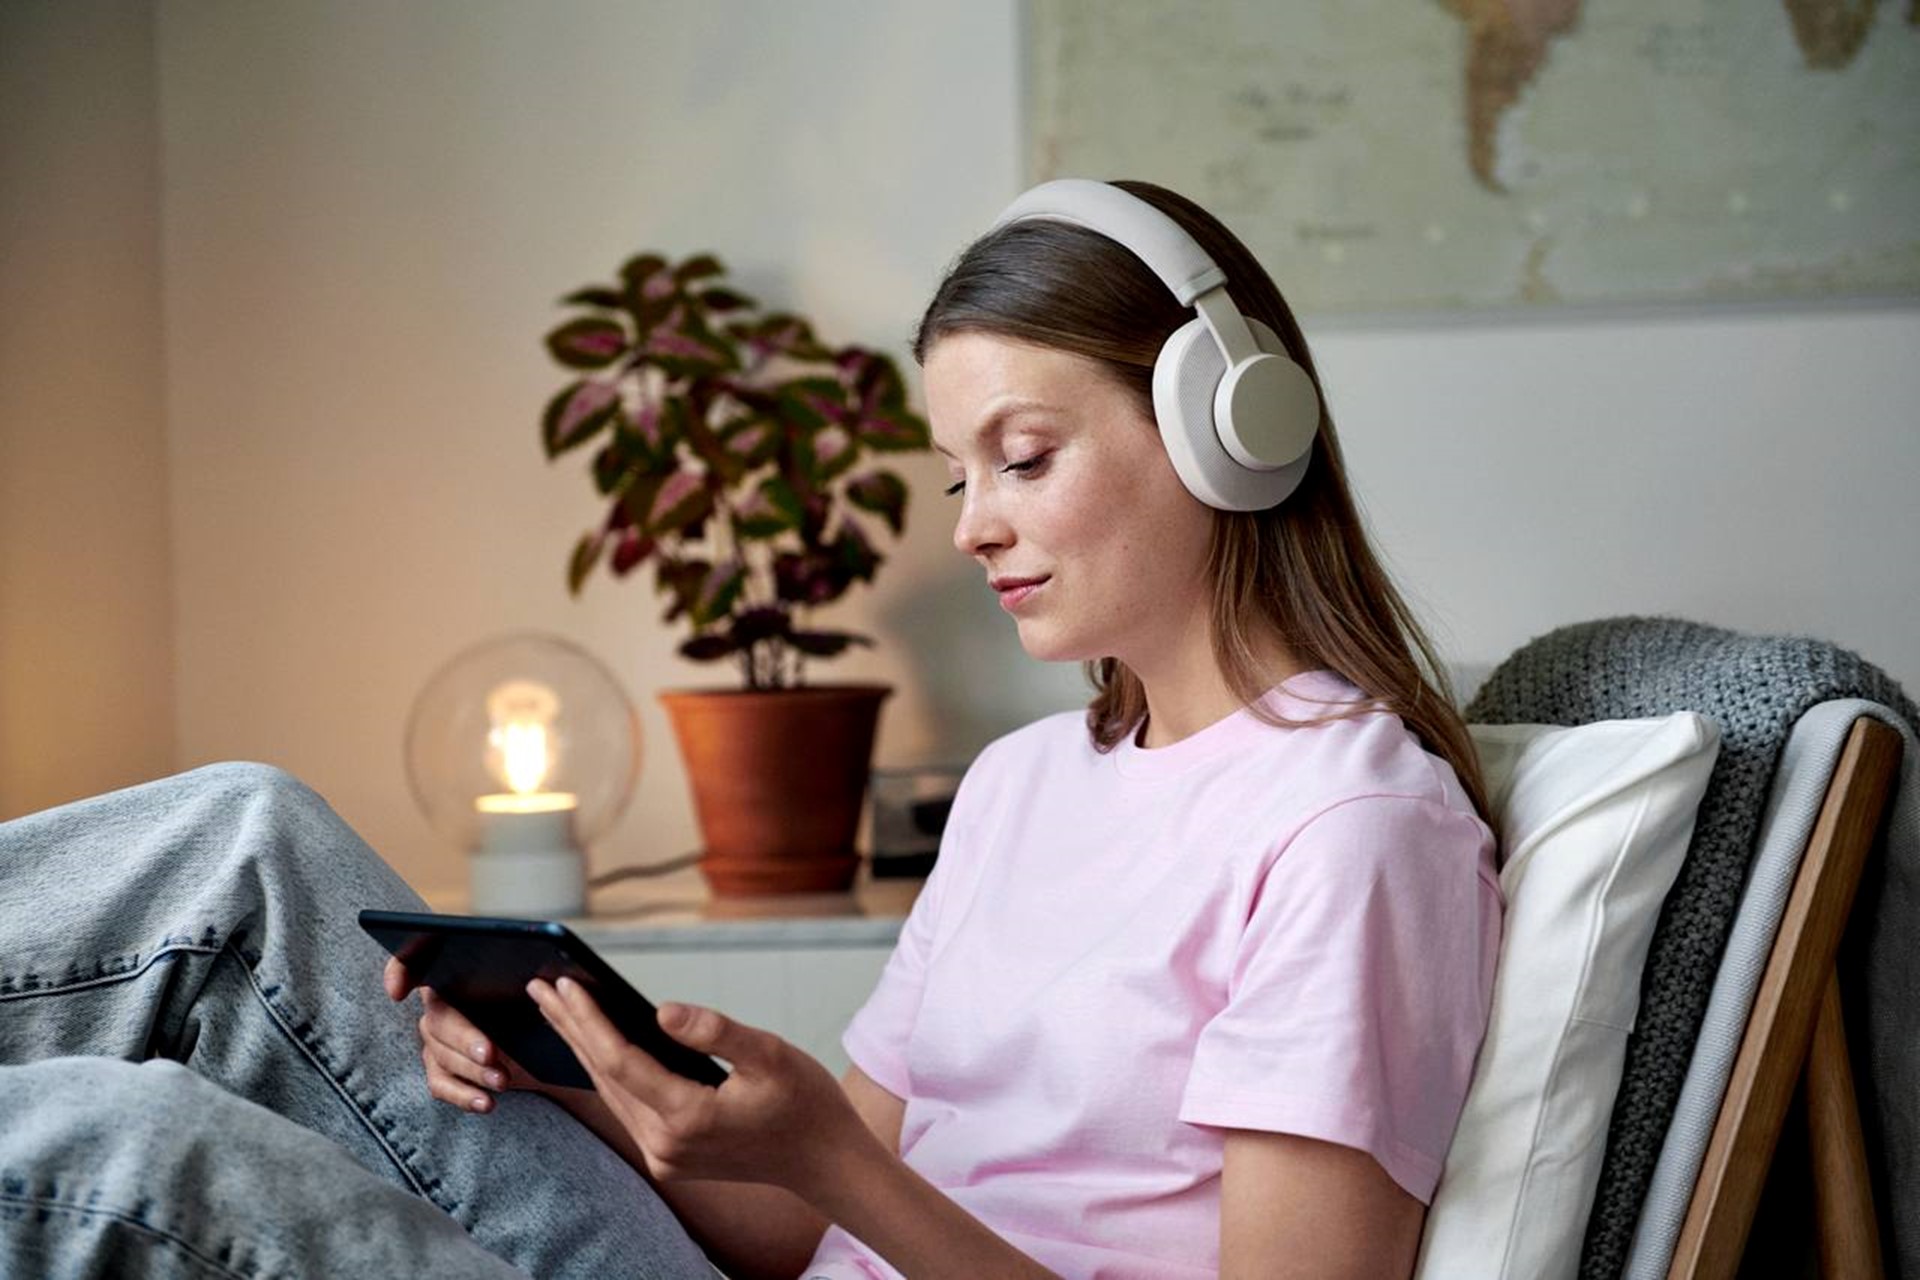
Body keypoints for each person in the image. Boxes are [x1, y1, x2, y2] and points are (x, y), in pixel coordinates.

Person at [0, 178, 1501, 1280]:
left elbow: (839, 1183)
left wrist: (837, 1160)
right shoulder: (1027, 785)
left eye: (1023, 458)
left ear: (1228, 429)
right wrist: (565, 1067)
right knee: (241, 836)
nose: (974, 527)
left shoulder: (1347, 828)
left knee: (108, 1145)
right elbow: (793, 1225)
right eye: (953, 476)